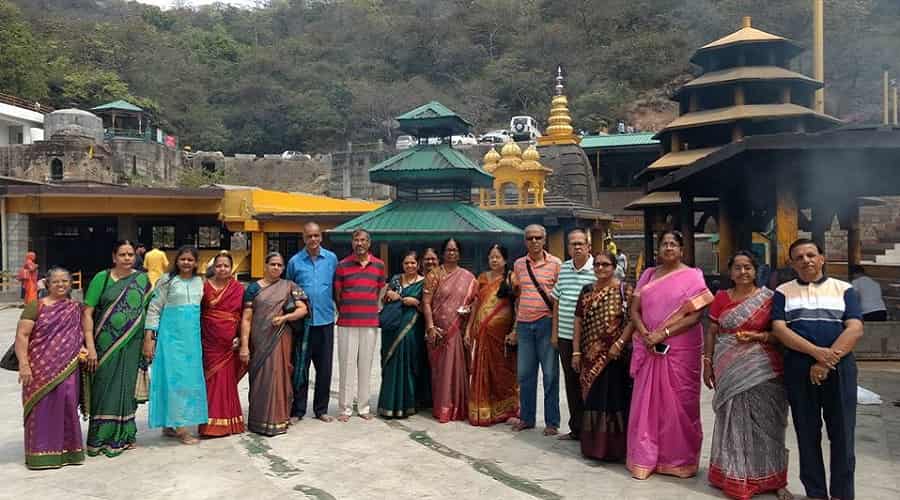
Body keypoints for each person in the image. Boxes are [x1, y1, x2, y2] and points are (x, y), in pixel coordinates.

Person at [772, 239, 863, 500]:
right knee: (807, 433)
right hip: (799, 368)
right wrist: (815, 354)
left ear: (822, 258)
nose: (806, 260)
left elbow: (855, 328)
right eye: (799, 257)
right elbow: (780, 329)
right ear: (792, 263)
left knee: (843, 434)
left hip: (840, 367)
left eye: (811, 255)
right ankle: (816, 493)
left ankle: (843, 494)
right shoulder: (783, 292)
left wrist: (825, 362)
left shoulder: (844, 289)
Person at [704, 251, 792, 500]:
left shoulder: (769, 299)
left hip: (764, 369)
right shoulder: (721, 298)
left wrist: (758, 337)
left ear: (756, 271)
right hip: (728, 367)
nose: (743, 272)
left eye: (748, 268)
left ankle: (774, 478)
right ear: (730, 272)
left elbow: (780, 335)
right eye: (737, 268)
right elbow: (712, 332)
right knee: (733, 422)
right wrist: (707, 362)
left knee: (768, 425)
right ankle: (733, 474)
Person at [628, 230, 713, 479]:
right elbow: (635, 310)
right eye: (664, 244)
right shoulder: (647, 275)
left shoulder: (692, 276)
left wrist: (662, 333)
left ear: (682, 249)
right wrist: (645, 334)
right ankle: (645, 457)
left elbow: (695, 316)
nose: (668, 248)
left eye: (673, 244)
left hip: (681, 348)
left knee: (679, 404)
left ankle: (679, 460)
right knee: (647, 403)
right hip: (648, 344)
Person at [82, 240, 153, 457]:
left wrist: (149, 340)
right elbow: (87, 313)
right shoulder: (101, 279)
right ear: (114, 257)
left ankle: (125, 435)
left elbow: (150, 311)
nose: (127, 258)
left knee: (126, 388)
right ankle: (100, 438)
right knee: (103, 389)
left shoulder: (142, 279)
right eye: (122, 254)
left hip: (132, 344)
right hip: (104, 346)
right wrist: (90, 347)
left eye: (130, 254)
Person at [15, 267, 85, 469]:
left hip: (68, 366)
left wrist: (82, 348)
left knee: (67, 405)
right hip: (39, 366)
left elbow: (78, 333)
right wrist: (24, 364)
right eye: (56, 282)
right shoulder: (35, 306)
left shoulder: (74, 308)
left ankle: (69, 452)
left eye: (64, 281)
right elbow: (22, 336)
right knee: (41, 408)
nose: (61, 285)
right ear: (47, 284)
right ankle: (39, 454)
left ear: (70, 284)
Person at [571, 251, 634, 461]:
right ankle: (594, 447)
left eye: (605, 265)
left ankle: (616, 449)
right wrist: (577, 351)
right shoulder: (587, 291)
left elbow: (633, 320)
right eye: (597, 265)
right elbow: (578, 321)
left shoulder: (625, 290)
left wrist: (619, 343)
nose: (600, 268)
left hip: (615, 356)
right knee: (594, 398)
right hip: (590, 354)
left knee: (615, 398)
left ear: (614, 266)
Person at [239, 252, 309, 436]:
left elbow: (303, 310)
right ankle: (258, 420)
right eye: (273, 264)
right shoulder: (253, 289)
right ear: (265, 265)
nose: (276, 268)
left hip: (280, 338)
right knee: (260, 379)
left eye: (280, 265)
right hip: (259, 341)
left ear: (283, 268)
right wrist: (244, 346)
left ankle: (279, 418)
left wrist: (285, 317)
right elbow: (246, 319)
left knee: (279, 375)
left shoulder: (289, 286)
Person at [143, 246, 207, 445]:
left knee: (190, 381)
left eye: (190, 260)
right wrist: (149, 338)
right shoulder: (167, 281)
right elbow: (154, 309)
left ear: (196, 263)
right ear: (176, 261)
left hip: (192, 340)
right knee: (174, 380)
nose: (186, 263)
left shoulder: (200, 282)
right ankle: (182, 429)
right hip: (171, 338)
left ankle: (170, 424)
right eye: (183, 259)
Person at [511, 224, 561, 435]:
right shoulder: (519, 265)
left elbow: (559, 300)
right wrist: (515, 327)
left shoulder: (556, 264)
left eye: (537, 238)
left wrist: (556, 330)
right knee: (525, 375)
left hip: (546, 322)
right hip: (524, 325)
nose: (534, 242)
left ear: (544, 239)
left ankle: (551, 421)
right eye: (530, 238)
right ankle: (527, 417)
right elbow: (518, 297)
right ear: (525, 241)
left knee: (550, 374)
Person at [285, 221, 338, 422]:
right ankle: (298, 410)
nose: (313, 239)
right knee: (300, 366)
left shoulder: (331, 259)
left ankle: (321, 409)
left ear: (321, 237)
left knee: (324, 368)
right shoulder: (295, 262)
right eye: (309, 236)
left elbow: (336, 286)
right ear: (303, 238)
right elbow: (289, 289)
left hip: (325, 321)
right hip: (303, 324)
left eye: (316, 235)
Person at [423, 237, 477, 423]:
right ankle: (443, 408)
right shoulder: (434, 275)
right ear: (443, 253)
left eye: (454, 250)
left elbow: (474, 303)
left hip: (458, 330)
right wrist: (430, 327)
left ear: (459, 253)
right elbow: (426, 303)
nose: (451, 253)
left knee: (457, 370)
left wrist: (468, 321)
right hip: (438, 332)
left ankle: (459, 408)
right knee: (441, 372)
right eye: (448, 250)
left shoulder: (468, 277)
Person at [465, 243, 519, 426]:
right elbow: (475, 306)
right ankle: (484, 410)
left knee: (503, 371)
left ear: (505, 259)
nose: (494, 260)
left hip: (503, 336)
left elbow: (518, 306)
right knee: (483, 370)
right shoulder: (481, 279)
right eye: (491, 257)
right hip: (482, 334)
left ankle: (507, 409)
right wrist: (469, 329)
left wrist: (515, 330)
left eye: (498, 257)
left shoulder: (511, 278)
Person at [551, 229, 596, 440]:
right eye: (573, 244)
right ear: (568, 247)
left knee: (589, 381)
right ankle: (576, 428)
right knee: (570, 382)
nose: (577, 247)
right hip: (565, 336)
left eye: (580, 243)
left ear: (588, 246)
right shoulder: (565, 268)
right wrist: (555, 333)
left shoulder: (598, 268)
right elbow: (557, 301)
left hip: (590, 338)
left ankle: (591, 429)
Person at [199, 251, 246, 437]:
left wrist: (241, 338)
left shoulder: (238, 289)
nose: (222, 269)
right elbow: (198, 314)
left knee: (226, 382)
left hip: (229, 344)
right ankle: (209, 424)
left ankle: (229, 423)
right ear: (213, 268)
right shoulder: (204, 288)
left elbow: (243, 316)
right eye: (219, 266)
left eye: (226, 265)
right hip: (209, 342)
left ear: (231, 268)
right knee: (211, 382)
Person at [378, 250, 425, 418]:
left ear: (418, 264)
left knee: (407, 364)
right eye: (407, 263)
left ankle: (407, 405)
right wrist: (388, 294)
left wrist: (416, 302)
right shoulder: (396, 279)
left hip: (411, 328)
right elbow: (385, 300)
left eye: (413, 263)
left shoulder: (424, 282)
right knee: (391, 363)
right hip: (392, 327)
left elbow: (428, 306)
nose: (410, 266)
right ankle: (388, 404)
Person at [415, 247, 440, 408]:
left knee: (437, 364)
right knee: (419, 361)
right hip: (417, 325)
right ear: (421, 263)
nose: (430, 262)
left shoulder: (443, 278)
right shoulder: (415, 280)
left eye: (433, 259)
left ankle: (435, 398)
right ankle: (419, 398)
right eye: (427, 259)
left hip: (438, 326)